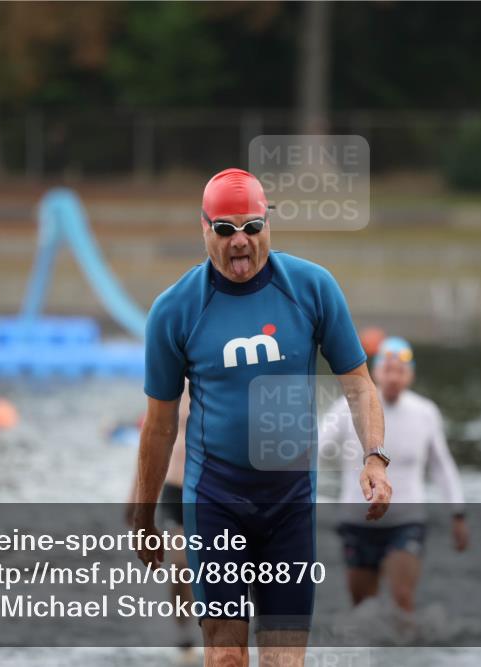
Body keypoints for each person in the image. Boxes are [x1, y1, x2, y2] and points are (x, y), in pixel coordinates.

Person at [133, 168, 391, 667]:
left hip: (290, 504)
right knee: (227, 658)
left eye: (252, 227)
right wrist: (144, 513)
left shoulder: (312, 287)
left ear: (268, 223)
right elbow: (160, 426)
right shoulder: (175, 310)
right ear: (204, 229)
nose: (240, 242)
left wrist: (375, 459)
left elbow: (358, 383)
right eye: (225, 229)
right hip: (215, 502)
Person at [319, 336, 468, 613]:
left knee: (402, 597)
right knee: (362, 607)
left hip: (407, 521)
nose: (393, 378)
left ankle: (406, 653)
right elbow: (316, 448)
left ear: (410, 375)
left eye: (400, 371)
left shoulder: (425, 412)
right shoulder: (346, 407)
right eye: (387, 370)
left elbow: (442, 466)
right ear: (376, 372)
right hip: (356, 522)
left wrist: (458, 513)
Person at [126, 384, 195, 659]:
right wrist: (136, 497)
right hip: (175, 486)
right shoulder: (172, 383)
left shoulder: (219, 378)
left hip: (212, 488)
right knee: (179, 564)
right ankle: (184, 632)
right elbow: (150, 440)